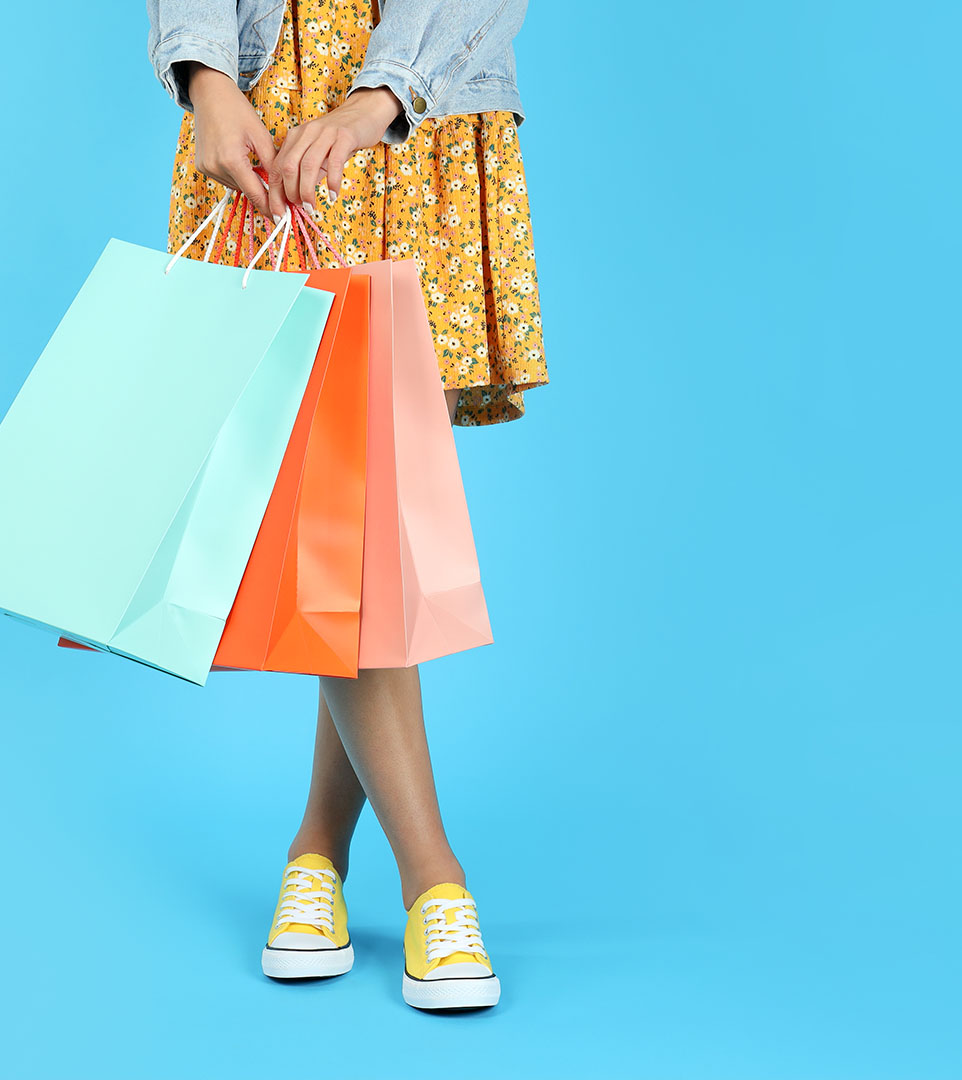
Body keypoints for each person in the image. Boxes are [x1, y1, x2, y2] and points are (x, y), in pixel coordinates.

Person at [146, 0, 549, 1011]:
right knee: (349, 501)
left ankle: (318, 854)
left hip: (416, 105)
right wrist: (205, 79)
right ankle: (430, 876)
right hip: (266, 116)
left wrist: (384, 93)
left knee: (358, 500)